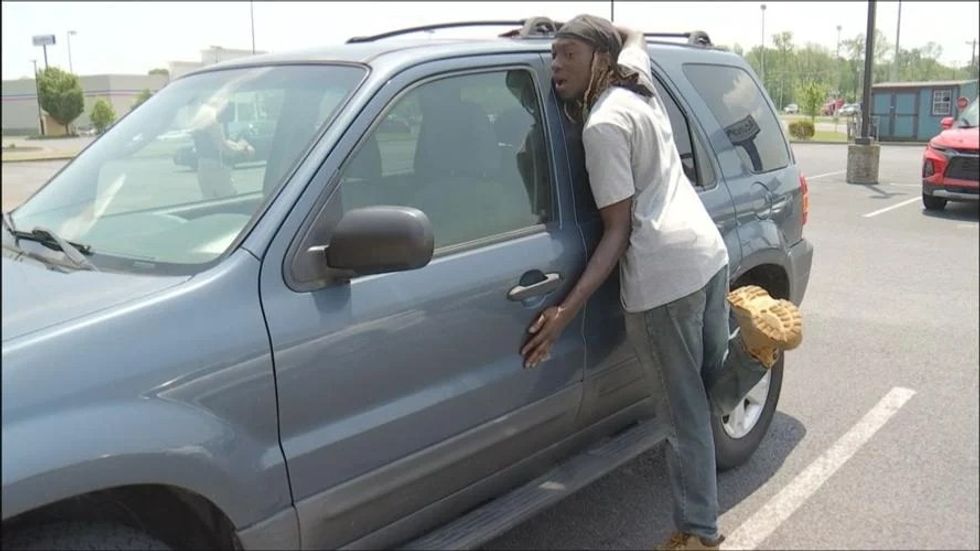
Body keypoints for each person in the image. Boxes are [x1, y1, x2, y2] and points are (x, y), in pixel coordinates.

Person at [519, 15, 803, 551]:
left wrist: (563, 313)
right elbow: (634, 36)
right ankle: (755, 351)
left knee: (682, 417)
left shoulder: (603, 125)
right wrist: (581, 29)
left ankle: (698, 535)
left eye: (569, 53)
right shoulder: (638, 85)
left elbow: (618, 231)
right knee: (705, 393)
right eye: (553, 53)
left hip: (663, 278)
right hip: (706, 254)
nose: (556, 64)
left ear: (599, 59)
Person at [188, 96, 255, 199]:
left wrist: (237, 145)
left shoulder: (199, 121)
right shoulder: (210, 120)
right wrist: (243, 149)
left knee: (209, 201)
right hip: (216, 167)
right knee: (230, 200)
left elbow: (220, 141)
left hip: (202, 168)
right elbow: (223, 147)